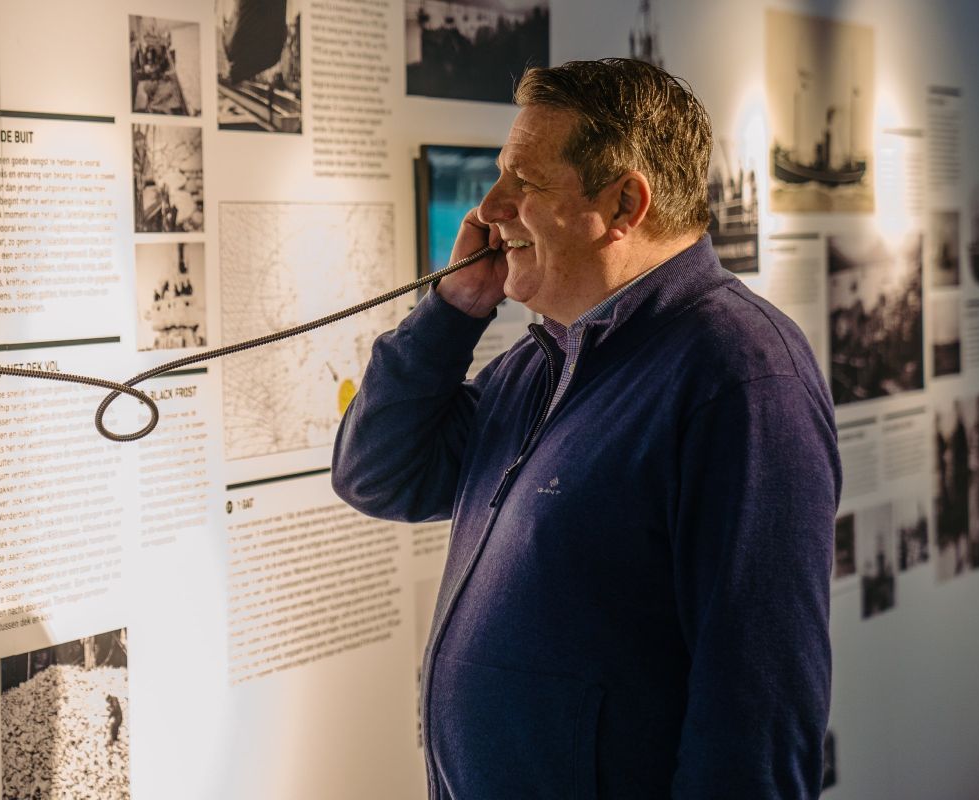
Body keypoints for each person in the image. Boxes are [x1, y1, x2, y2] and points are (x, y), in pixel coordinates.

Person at [332, 59, 840, 798]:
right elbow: (380, 475)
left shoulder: (740, 376)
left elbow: (756, 710)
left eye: (523, 182)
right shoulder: (543, 360)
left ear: (623, 204)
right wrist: (451, 311)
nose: (491, 206)